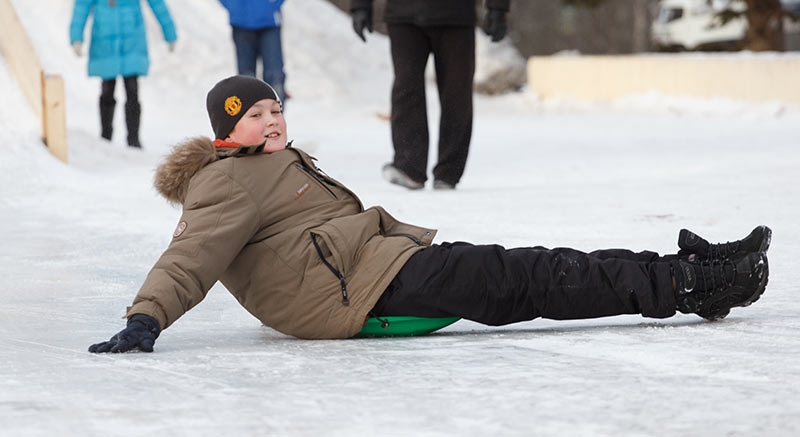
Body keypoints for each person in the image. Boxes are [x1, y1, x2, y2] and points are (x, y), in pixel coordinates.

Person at [88, 76, 771, 353]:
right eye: (254, 115)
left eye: (274, 109)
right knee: (526, 276)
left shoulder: (276, 163)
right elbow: (190, 254)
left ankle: (689, 269)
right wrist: (145, 317)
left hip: (376, 267)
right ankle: (686, 282)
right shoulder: (223, 184)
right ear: (225, 133)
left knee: (521, 269)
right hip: (355, 290)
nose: (271, 120)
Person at [349, 0, 511, 190]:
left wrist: (497, 8)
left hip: (455, 16)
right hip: (404, 15)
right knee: (406, 88)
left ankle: (448, 173)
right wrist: (360, 6)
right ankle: (409, 168)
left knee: (456, 93)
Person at [70, 0, 177, 149]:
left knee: (132, 90)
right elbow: (82, 6)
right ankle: (105, 138)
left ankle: (133, 139)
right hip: (104, 40)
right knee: (107, 90)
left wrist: (169, 32)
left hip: (132, 40)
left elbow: (157, 3)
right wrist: (76, 36)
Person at [218, 0, 287, 105]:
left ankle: (276, 118)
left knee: (274, 76)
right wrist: (233, 5)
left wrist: (272, 4)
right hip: (240, 22)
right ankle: (250, 117)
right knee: (246, 79)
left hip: (269, 21)